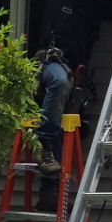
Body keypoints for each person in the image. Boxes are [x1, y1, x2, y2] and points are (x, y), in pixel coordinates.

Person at [34, 44, 72, 174]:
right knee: (59, 81)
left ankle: (52, 182)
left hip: (64, 63)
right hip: (46, 59)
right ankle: (43, 144)